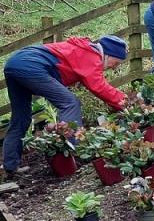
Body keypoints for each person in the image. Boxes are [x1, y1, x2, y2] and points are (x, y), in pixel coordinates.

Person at [2, 35, 128, 175]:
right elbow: (99, 87)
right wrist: (126, 103)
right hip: (30, 65)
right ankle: (77, 151)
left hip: (15, 62)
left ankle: (10, 165)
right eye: (115, 62)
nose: (114, 67)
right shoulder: (91, 56)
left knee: (21, 117)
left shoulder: (85, 50)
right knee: (70, 103)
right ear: (108, 54)